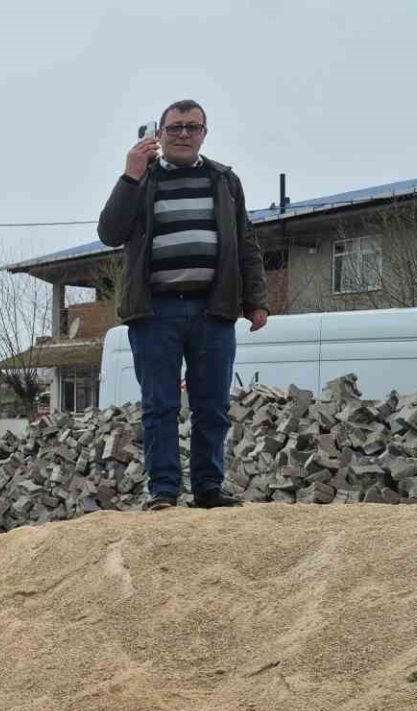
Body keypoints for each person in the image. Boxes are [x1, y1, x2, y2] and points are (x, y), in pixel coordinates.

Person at [96, 99, 269, 511]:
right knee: (160, 405)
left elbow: (245, 242)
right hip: (154, 312)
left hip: (214, 309)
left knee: (213, 405)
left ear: (204, 134)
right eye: (175, 127)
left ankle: (209, 488)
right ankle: (164, 491)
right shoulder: (142, 179)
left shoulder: (224, 181)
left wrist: (256, 300)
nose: (184, 134)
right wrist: (130, 175)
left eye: (193, 127)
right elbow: (110, 233)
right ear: (159, 133)